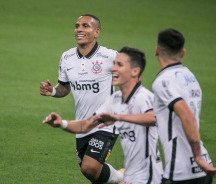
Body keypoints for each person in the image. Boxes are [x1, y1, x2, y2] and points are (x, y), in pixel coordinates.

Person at [43, 46, 163, 184]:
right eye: (114, 64)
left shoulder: (143, 97)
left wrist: (117, 117)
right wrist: (61, 123)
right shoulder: (114, 100)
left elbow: (154, 117)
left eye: (120, 65)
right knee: (89, 169)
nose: (113, 69)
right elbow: (86, 124)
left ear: (135, 71)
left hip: (150, 177)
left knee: (91, 167)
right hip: (132, 176)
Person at [39, 14, 122, 183]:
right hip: (82, 125)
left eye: (85, 26)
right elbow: (64, 87)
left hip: (106, 124)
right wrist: (53, 91)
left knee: (90, 167)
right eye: (77, 26)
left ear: (96, 31)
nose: (79, 29)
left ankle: (125, 177)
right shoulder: (67, 57)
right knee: (91, 173)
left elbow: (132, 75)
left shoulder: (111, 56)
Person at [152, 28, 216, 184]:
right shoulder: (189, 76)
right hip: (203, 168)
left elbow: (187, 117)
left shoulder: (163, 80)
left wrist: (196, 157)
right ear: (183, 53)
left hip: (181, 170)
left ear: (157, 50)